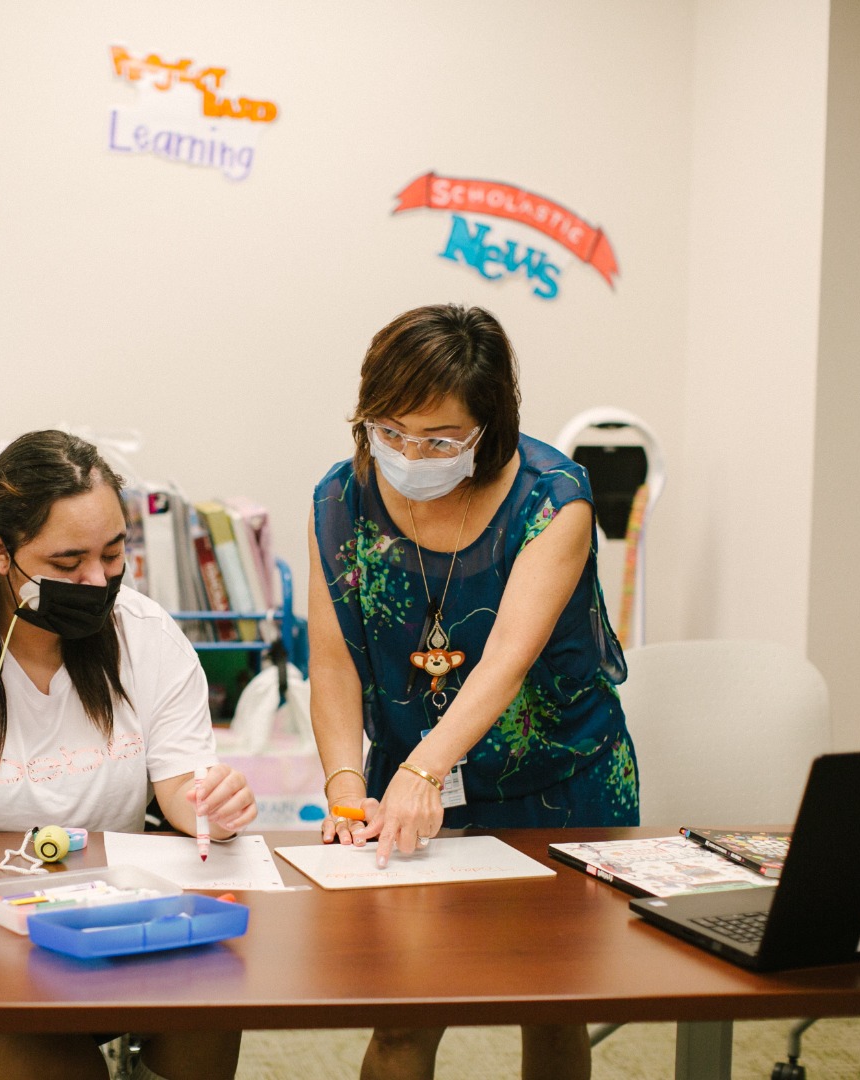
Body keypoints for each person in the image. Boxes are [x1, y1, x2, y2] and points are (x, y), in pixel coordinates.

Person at [0, 429, 256, 1080]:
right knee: (57, 1068)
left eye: (113, 554)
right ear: (1, 551)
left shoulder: (145, 637)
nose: (96, 580)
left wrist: (211, 802)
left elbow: (182, 784)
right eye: (67, 565)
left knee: (212, 1012)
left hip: (108, 921)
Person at [308, 304, 638, 1080]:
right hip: (408, 780)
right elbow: (332, 665)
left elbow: (503, 662)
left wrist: (423, 770)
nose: (408, 453)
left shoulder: (553, 498)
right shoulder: (340, 499)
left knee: (551, 1008)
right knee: (402, 1016)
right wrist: (346, 789)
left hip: (559, 775)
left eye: (439, 439)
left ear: (489, 426)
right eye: (388, 430)